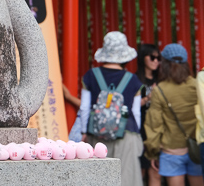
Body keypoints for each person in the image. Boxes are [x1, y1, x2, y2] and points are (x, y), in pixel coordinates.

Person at [79, 31, 144, 186]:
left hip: (97, 134)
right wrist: (137, 133)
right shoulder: (133, 80)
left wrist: (83, 132)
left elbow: (84, 108)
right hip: (126, 134)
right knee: (126, 179)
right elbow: (135, 112)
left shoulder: (91, 75)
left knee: (98, 178)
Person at [145, 43, 203, 186]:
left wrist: (152, 152)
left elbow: (154, 125)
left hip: (171, 150)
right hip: (196, 148)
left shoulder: (160, 90)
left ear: (164, 64)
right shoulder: (196, 85)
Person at [137, 43, 161, 186]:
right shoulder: (134, 79)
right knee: (140, 171)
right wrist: (149, 97)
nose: (156, 61)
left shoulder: (161, 79)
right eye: (152, 57)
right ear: (143, 58)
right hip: (139, 130)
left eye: (158, 58)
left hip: (156, 130)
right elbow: (128, 106)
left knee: (155, 171)